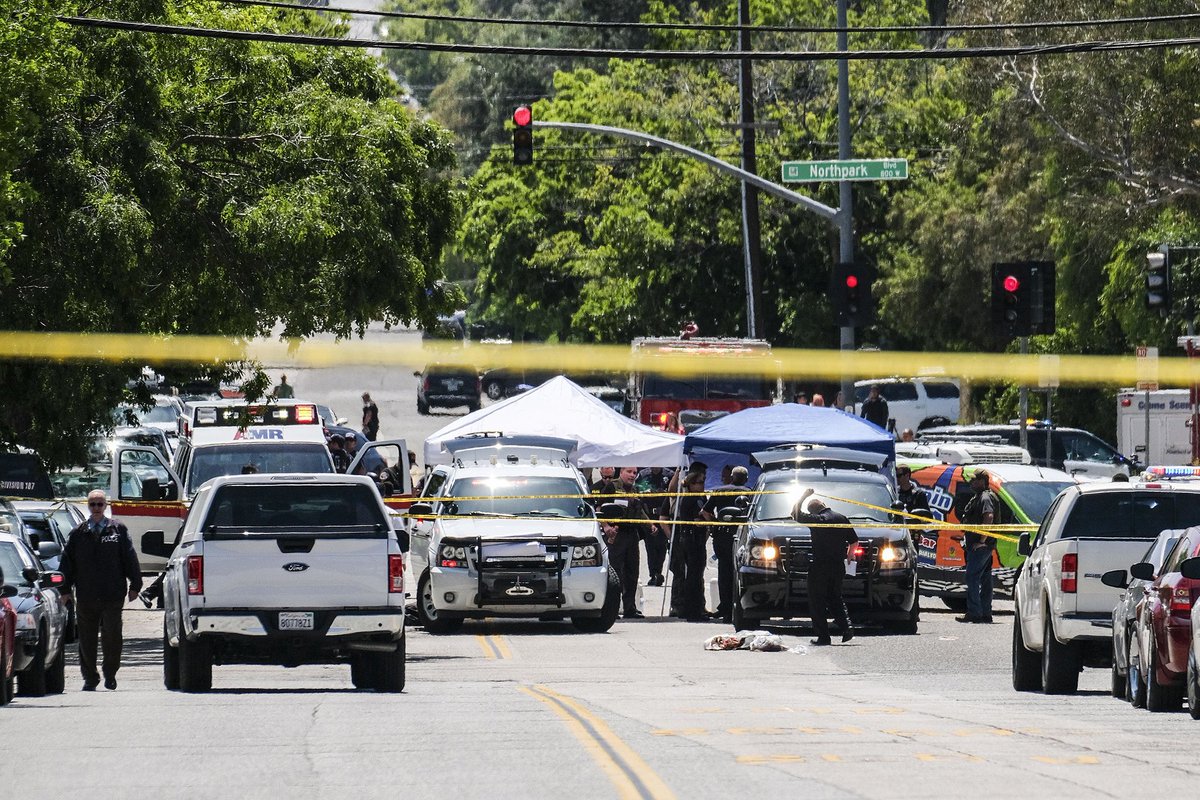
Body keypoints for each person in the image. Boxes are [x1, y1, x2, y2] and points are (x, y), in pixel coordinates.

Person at [59, 491, 142, 690]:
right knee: (86, 639)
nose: (96, 508)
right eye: (92, 504)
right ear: (88, 506)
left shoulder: (117, 530)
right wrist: (65, 589)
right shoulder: (78, 533)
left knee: (112, 636)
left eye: (100, 504)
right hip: (86, 594)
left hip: (112, 593)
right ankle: (90, 677)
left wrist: (135, 585)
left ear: (106, 506)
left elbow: (129, 558)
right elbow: (67, 563)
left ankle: (110, 674)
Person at [791, 488, 858, 646]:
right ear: (824, 504)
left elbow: (794, 513)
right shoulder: (842, 518)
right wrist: (849, 556)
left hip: (820, 566)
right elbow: (854, 541)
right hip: (838, 566)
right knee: (835, 597)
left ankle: (823, 637)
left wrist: (802, 496)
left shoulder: (817, 520)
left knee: (817, 601)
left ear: (812, 511)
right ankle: (847, 628)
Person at [599, 467, 651, 619]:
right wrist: (606, 526)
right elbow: (599, 509)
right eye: (629, 472)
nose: (632, 475)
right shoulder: (612, 487)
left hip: (632, 534)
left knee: (632, 572)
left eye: (635, 473)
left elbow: (640, 511)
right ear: (621, 472)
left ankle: (630, 608)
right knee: (615, 573)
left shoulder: (635, 489)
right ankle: (612, 609)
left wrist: (650, 525)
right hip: (616, 534)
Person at [701, 465, 750, 624]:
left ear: (732, 477)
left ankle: (725, 608)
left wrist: (714, 523)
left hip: (722, 535)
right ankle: (739, 607)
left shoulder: (719, 491)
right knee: (742, 572)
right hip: (742, 535)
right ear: (746, 478)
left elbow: (705, 511)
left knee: (724, 572)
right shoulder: (750, 492)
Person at [664, 470, 710, 620]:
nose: (702, 485)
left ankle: (697, 608)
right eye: (699, 482)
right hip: (690, 539)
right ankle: (690, 610)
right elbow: (693, 520)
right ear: (691, 484)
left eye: (703, 482)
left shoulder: (701, 497)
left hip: (698, 539)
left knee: (697, 576)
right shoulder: (689, 499)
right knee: (691, 576)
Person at [958, 470, 997, 624]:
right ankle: (986, 613)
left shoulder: (985, 497)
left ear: (982, 481)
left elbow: (989, 517)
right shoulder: (981, 496)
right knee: (986, 579)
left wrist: (981, 540)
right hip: (984, 546)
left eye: (974, 480)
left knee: (972, 577)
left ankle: (974, 613)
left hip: (980, 547)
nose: (971, 483)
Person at [636, 467, 672, 586]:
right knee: (650, 547)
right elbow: (638, 495)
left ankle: (658, 572)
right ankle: (654, 574)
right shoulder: (643, 475)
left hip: (664, 516)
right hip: (648, 516)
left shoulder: (669, 475)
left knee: (661, 546)